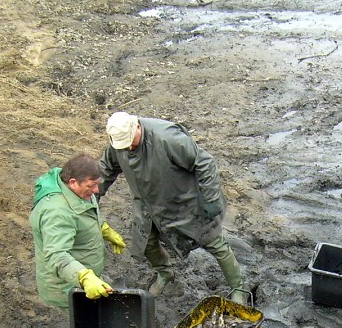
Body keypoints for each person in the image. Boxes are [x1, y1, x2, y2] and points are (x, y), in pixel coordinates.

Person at [98, 111, 249, 304]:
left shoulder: (167, 138)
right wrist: (91, 195)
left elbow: (204, 162)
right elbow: (105, 170)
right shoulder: (118, 144)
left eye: (130, 142)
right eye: (123, 145)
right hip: (147, 205)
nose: (128, 147)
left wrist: (211, 199)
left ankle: (239, 288)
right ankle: (165, 273)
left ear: (137, 126)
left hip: (184, 201)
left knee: (213, 242)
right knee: (146, 242)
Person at [30, 153, 126, 309]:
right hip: (68, 287)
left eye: (97, 184)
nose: (96, 190)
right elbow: (57, 256)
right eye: (91, 186)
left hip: (84, 276)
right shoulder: (57, 213)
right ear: (73, 182)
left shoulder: (78, 192)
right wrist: (84, 278)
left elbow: (82, 214)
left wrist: (103, 228)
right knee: (85, 320)